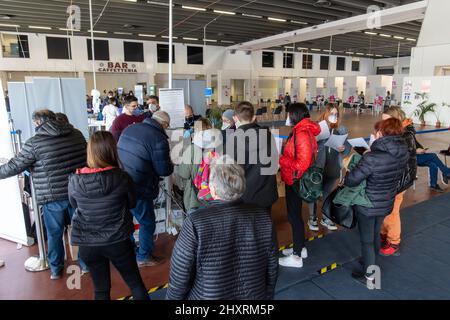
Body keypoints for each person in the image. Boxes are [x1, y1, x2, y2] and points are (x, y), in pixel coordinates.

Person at [166, 155, 278, 300]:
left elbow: (180, 278)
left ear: (212, 189)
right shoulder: (264, 218)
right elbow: (272, 269)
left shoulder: (196, 223)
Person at [0, 109, 87, 279]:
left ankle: (56, 269)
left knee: (54, 234)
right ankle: (86, 264)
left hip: (52, 196)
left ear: (37, 123)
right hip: (78, 191)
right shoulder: (76, 134)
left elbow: (15, 166)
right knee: (81, 230)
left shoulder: (35, 143)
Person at [68, 131, 148, 300]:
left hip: (88, 244)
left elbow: (75, 206)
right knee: (135, 284)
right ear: (112, 150)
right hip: (117, 239)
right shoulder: (122, 177)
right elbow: (132, 203)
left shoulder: (75, 180)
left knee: (101, 290)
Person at [344, 118, 409, 282]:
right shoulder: (403, 152)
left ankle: (370, 276)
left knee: (366, 240)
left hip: (367, 204)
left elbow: (352, 180)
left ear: (380, 134)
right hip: (386, 201)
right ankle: (369, 262)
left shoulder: (372, 157)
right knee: (375, 235)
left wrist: (356, 165)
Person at [118, 111, 173, 267]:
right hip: (140, 186)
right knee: (147, 222)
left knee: (125, 220)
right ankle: (143, 256)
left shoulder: (130, 128)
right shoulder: (159, 139)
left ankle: (127, 252)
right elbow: (164, 170)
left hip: (121, 181)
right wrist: (171, 164)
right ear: (164, 124)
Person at [278, 103, 320, 268]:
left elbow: (302, 163)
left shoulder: (301, 133)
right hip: (295, 178)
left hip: (296, 180)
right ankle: (300, 247)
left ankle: (296, 257)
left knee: (294, 217)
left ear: (294, 115)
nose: (287, 117)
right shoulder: (301, 130)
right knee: (295, 215)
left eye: (288, 114)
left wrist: (281, 159)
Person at [379, 106, 417, 256]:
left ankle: (394, 241)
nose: (383, 124)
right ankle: (384, 234)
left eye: (386, 121)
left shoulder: (405, 135)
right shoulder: (397, 132)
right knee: (385, 209)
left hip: (400, 178)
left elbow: (397, 156)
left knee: (392, 211)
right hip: (392, 176)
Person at [228, 101, 278, 209]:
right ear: (253, 117)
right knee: (266, 224)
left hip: (245, 196)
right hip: (267, 193)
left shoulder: (233, 140)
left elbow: (232, 171)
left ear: (235, 118)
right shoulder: (268, 135)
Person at [308, 104, 351, 232]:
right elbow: (308, 144)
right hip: (318, 166)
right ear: (325, 113)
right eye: (331, 113)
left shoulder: (341, 129)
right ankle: (312, 218)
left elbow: (347, 148)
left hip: (333, 166)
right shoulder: (317, 127)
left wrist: (343, 149)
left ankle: (326, 217)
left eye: (336, 114)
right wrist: (316, 141)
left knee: (328, 193)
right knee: (314, 193)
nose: (334, 116)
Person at [175, 118, 221, 213]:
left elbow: (184, 174)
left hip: (195, 199)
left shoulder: (191, 149)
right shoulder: (221, 145)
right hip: (218, 196)